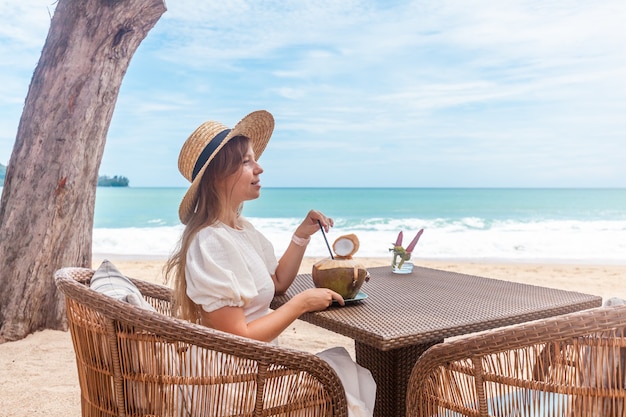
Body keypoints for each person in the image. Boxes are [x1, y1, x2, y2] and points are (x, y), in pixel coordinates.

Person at [165, 110, 376, 417]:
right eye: (246, 162)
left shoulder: (240, 230)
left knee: (349, 368)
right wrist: (301, 304)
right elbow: (238, 337)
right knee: (344, 375)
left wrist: (301, 236)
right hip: (232, 383)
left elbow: (276, 282)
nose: (259, 168)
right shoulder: (210, 242)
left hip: (255, 366)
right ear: (218, 175)